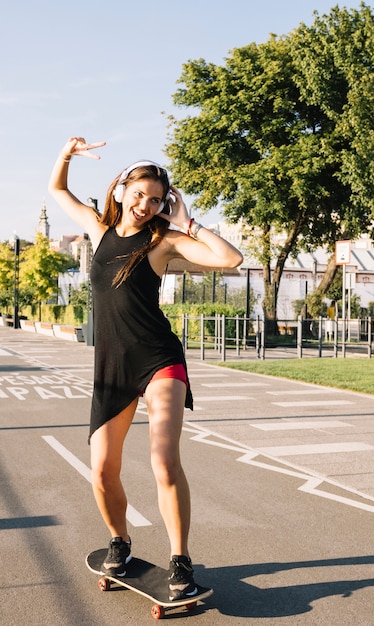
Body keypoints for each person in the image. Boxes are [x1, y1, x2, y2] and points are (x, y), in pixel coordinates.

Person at [48, 136, 243, 600]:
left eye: (156, 198)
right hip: (112, 367)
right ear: (120, 191)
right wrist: (66, 155)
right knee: (101, 471)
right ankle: (120, 541)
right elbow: (57, 192)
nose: (145, 204)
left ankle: (181, 561)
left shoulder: (164, 241)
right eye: (139, 194)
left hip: (159, 360)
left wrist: (187, 221)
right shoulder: (98, 231)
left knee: (163, 460)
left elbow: (230, 259)